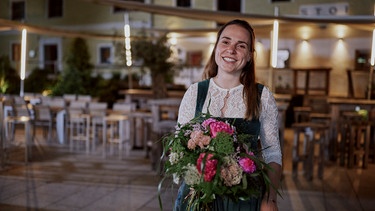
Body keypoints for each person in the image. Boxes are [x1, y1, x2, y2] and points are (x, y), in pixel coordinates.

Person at [174, 19, 282, 211]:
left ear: (249, 56)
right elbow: (179, 148)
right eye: (226, 42)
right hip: (199, 198)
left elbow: (272, 153)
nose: (231, 50)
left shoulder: (262, 97)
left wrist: (271, 199)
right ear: (216, 48)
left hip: (244, 201)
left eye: (241, 46)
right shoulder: (194, 93)